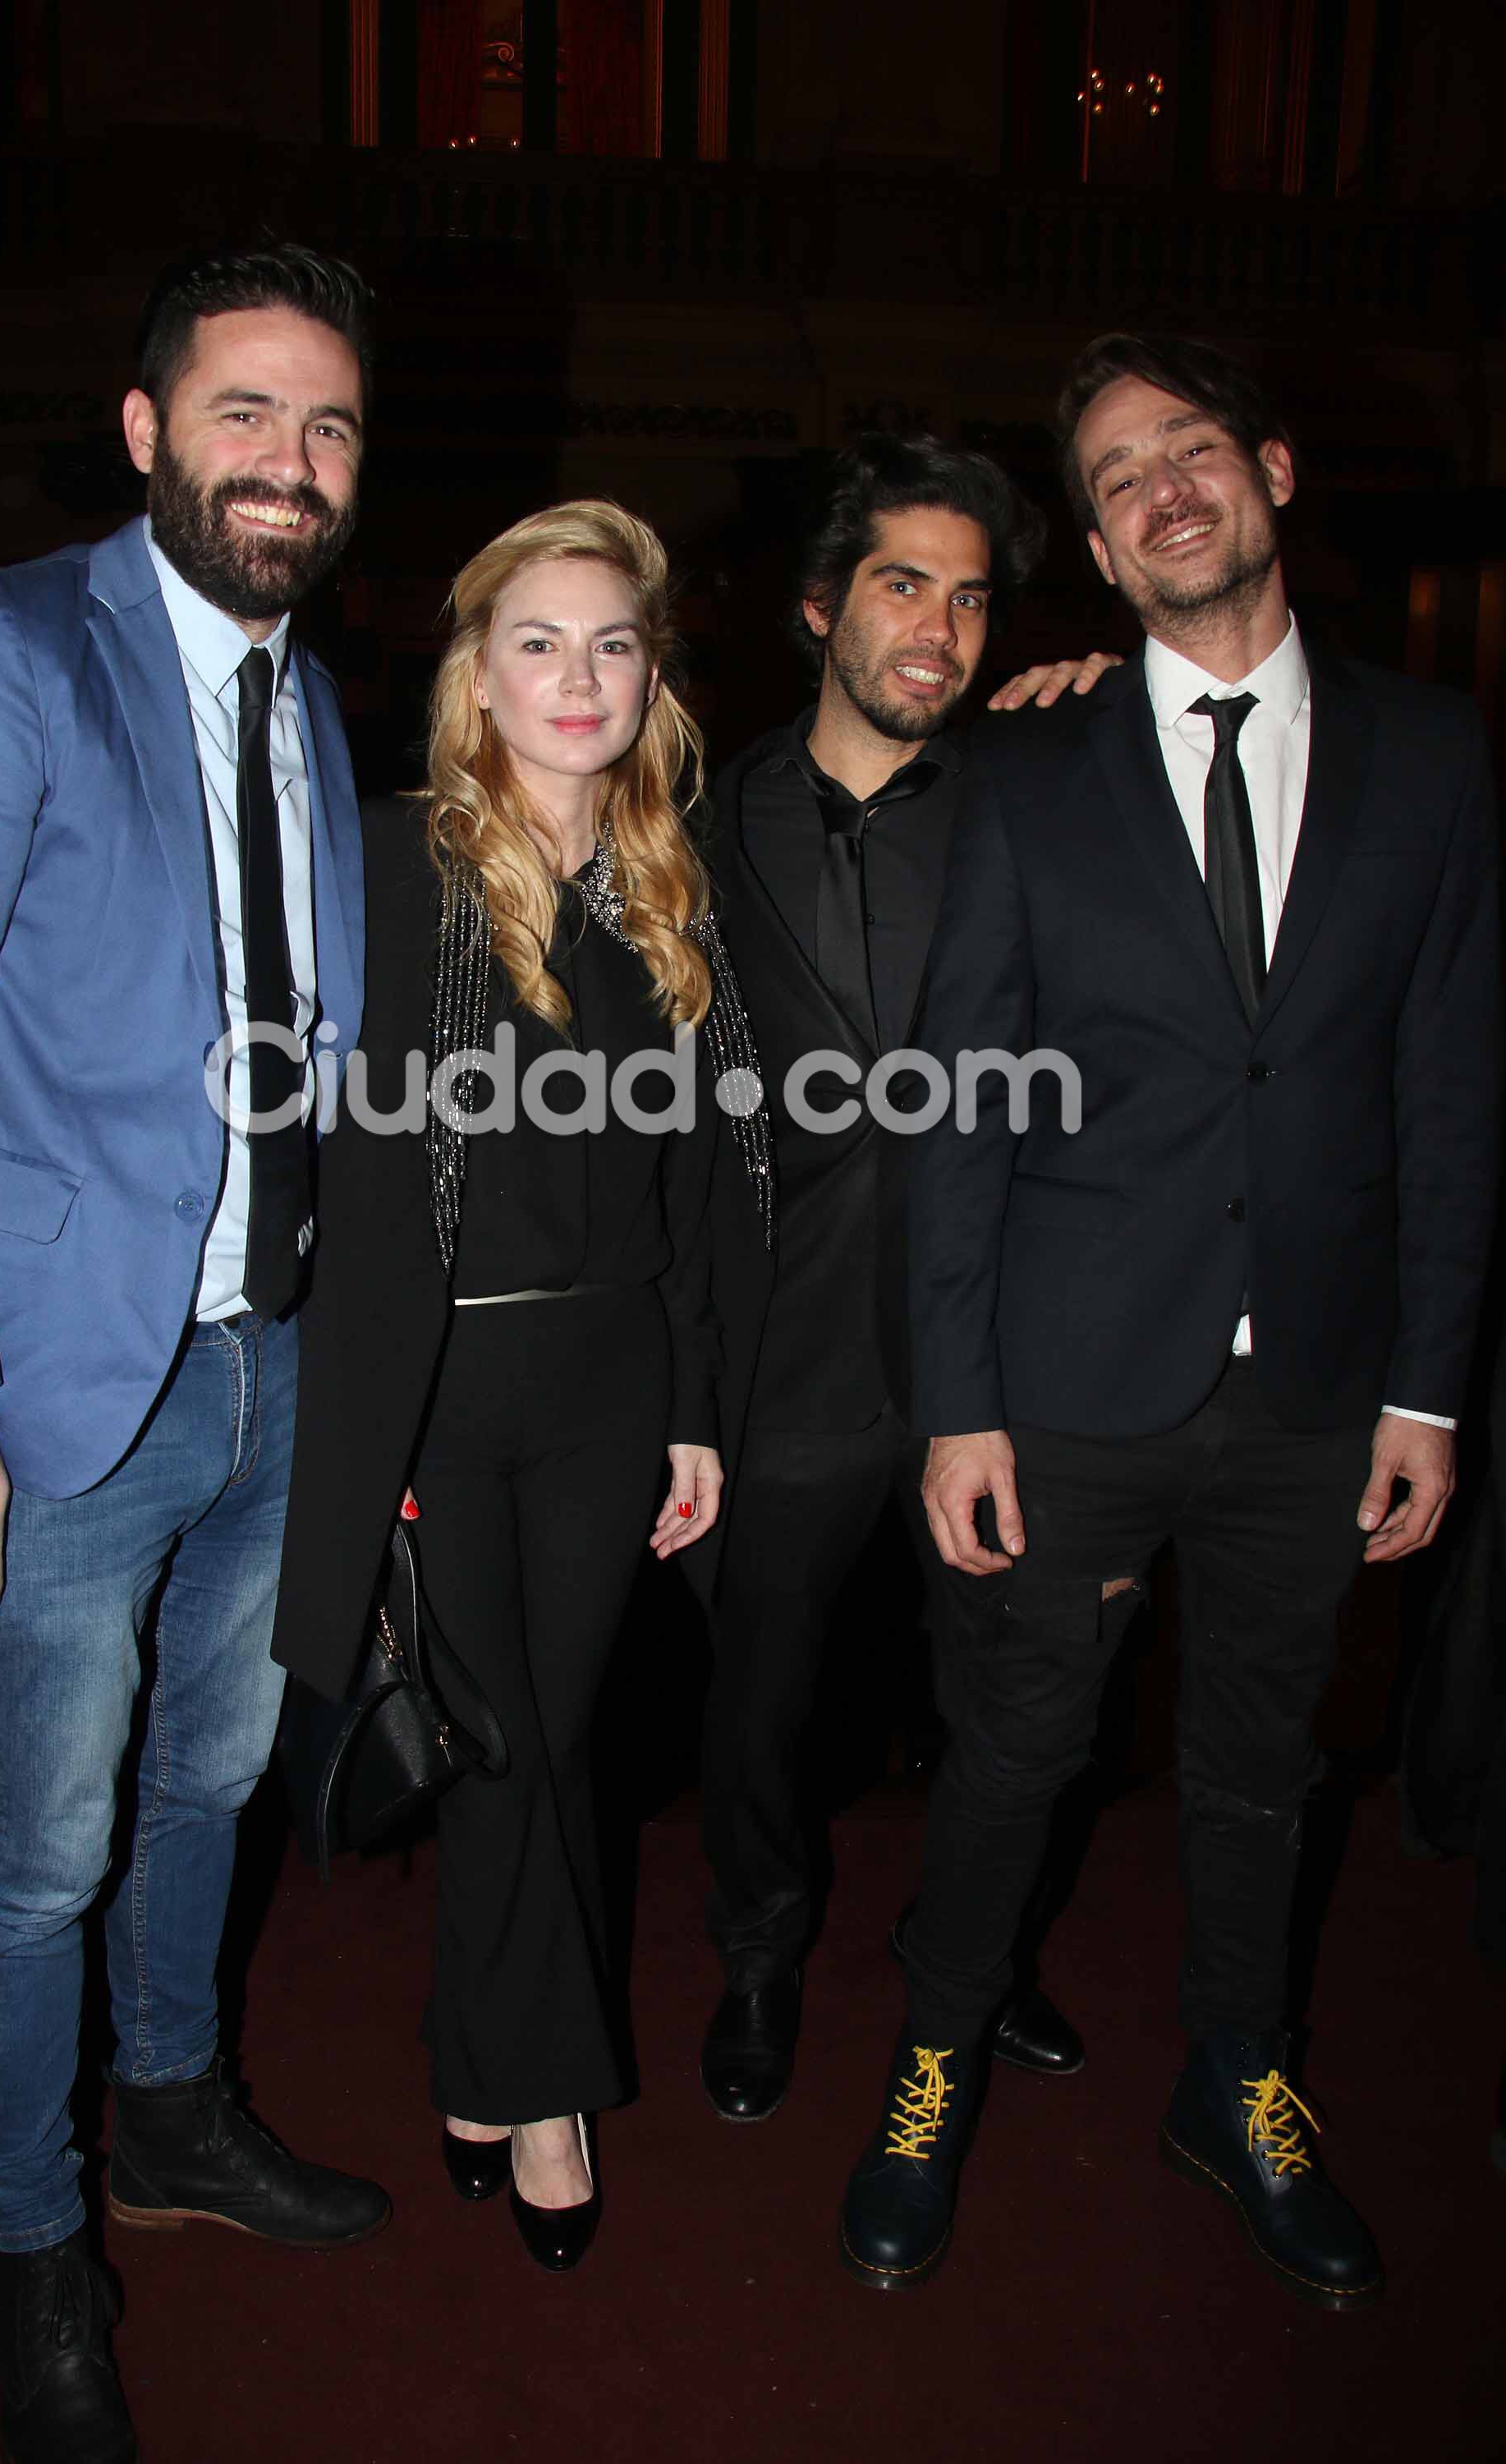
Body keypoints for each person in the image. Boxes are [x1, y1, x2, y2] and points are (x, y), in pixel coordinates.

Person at [838, 333, 1501, 2303]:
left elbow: (1454, 1094)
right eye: (1118, 479)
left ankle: (1239, 2072)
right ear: (1106, 562)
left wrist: (1429, 1393)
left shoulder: (1437, 757)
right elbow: (960, 1106)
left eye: (1188, 451)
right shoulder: (1027, 766)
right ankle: (936, 2055)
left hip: (1314, 1390)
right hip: (1067, 1387)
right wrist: (956, 1403)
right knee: (1014, 1752)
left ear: (1272, 475)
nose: (1159, 490)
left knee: (1257, 1762)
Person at [0, 242, 389, 2464]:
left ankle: (170, 2114)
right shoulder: (4, 646)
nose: (291, 460)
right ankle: (33, 2243)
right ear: (148, 428)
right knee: (40, 1848)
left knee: (214, 1783)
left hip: (273, 1369)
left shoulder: (314, 688)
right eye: (247, 413)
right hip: (63, 1410)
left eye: (332, 426)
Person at [271, 499, 769, 2272]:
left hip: (613, 1373)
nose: (578, 676)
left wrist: (698, 1400)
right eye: (537, 642)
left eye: (612, 643)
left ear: (652, 678)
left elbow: (703, 1187)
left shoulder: (673, 886)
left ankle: (482, 2065)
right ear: (476, 674)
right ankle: (543, 2093)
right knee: (499, 1746)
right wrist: (364, 1421)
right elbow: (325, 1154)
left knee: (547, 1742)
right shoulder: (394, 865)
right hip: (441, 1375)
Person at [691, 433, 1113, 2125]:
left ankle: (975, 1960)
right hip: (777, 1363)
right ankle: (757, 1958)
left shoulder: (1050, 794)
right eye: (899, 583)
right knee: (760, 1706)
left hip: (987, 1364)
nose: (938, 627)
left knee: (1005, 1698)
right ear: (817, 607)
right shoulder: (692, 822)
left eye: (968, 596)